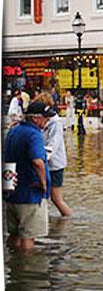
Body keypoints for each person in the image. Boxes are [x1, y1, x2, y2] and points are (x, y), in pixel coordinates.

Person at [4, 101, 54, 251]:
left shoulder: (13, 131)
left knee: (14, 234)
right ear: (35, 118)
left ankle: (14, 265)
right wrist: (44, 184)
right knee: (28, 236)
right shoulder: (34, 135)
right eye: (45, 118)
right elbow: (38, 162)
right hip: (30, 193)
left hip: (12, 191)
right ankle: (27, 268)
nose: (48, 121)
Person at [36, 93, 72, 216]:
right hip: (43, 163)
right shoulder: (41, 121)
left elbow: (53, 144)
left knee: (56, 198)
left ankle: (68, 219)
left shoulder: (55, 123)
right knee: (42, 196)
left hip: (54, 165)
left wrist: (42, 157)